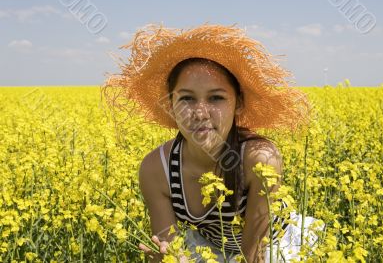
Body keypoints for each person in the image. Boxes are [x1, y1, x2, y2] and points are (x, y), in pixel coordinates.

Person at [103, 23, 319, 262]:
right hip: (212, 248)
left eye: (216, 98)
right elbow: (169, 249)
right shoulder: (156, 169)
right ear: (170, 104)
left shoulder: (260, 159)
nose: (200, 113)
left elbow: (254, 256)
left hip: (273, 248)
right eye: (186, 98)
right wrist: (170, 258)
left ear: (237, 103)